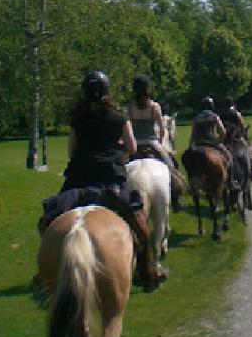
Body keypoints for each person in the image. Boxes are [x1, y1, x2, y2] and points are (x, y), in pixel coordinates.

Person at [38, 70, 167, 290]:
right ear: (107, 92)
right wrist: (114, 149)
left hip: (78, 182)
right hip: (110, 182)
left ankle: (43, 273)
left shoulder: (77, 120)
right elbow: (132, 148)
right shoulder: (119, 117)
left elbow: (71, 152)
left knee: (47, 222)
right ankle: (148, 273)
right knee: (142, 231)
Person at [126, 75, 186, 210]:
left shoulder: (129, 107)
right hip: (152, 142)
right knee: (172, 166)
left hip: (135, 144)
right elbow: (162, 129)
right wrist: (160, 143)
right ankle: (176, 198)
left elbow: (127, 127)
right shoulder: (154, 106)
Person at [190, 96, 239, 190]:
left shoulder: (196, 117)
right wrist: (220, 140)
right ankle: (232, 181)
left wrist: (191, 146)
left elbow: (193, 134)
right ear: (211, 106)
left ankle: (192, 185)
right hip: (211, 142)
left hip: (198, 143)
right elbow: (223, 132)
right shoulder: (214, 116)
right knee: (229, 157)